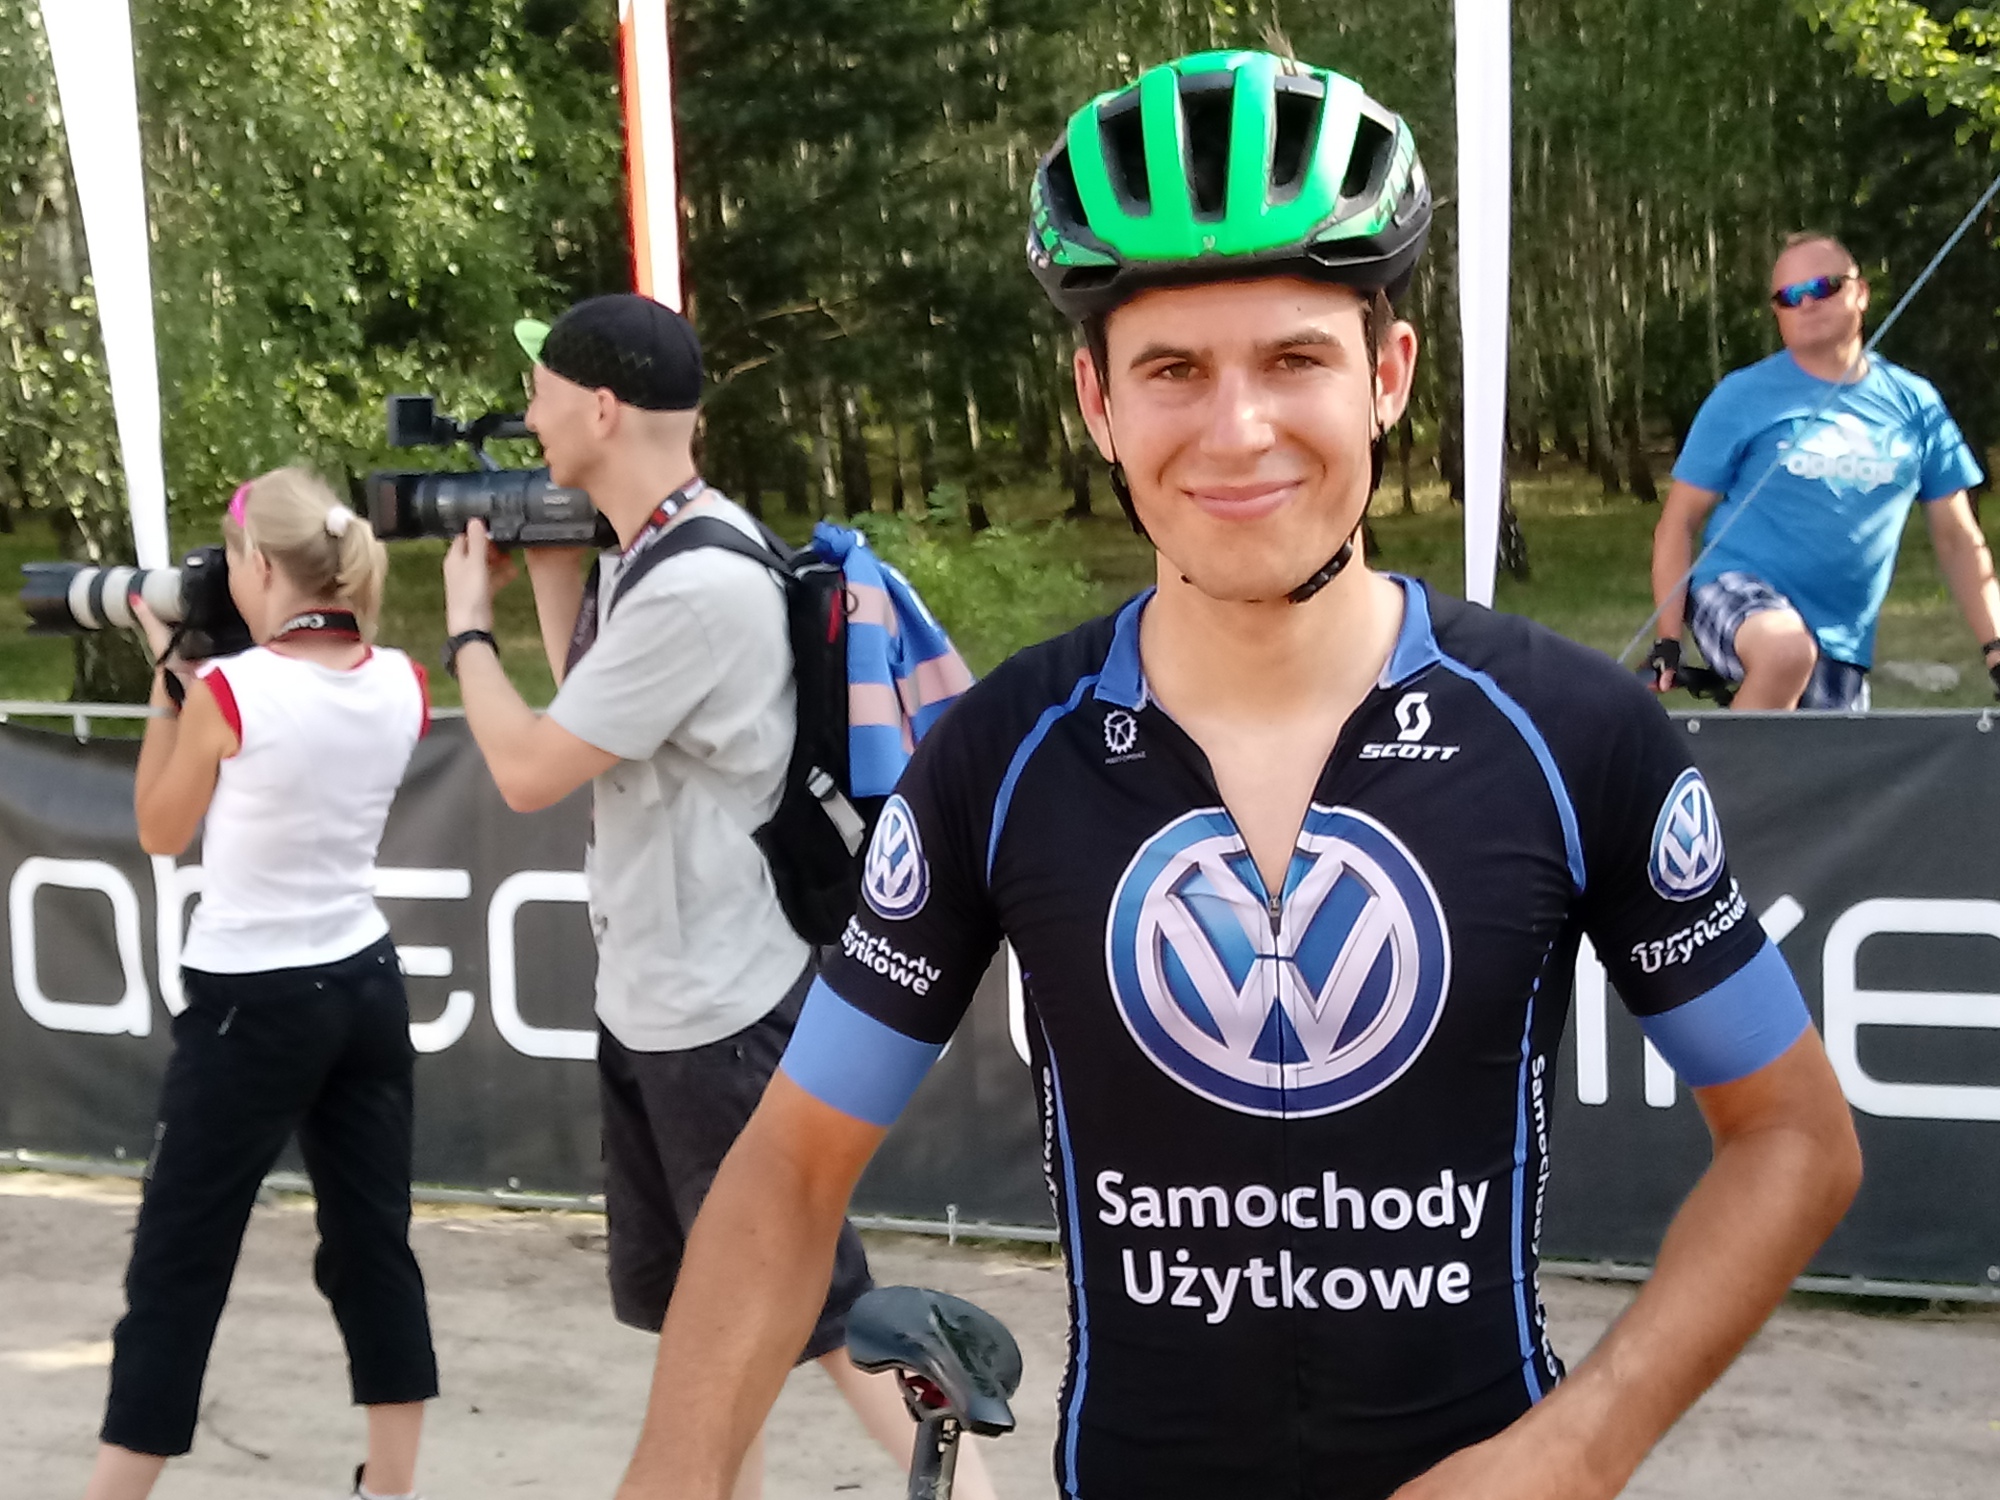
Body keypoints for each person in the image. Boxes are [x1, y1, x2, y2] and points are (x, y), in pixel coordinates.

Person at [614, 50, 1864, 1500]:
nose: (1237, 430)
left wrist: (1576, 1453)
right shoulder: (1003, 758)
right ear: (1096, 401)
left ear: (1387, 374)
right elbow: (784, 1172)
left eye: (1292, 360)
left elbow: (1793, 1138)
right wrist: (668, 1480)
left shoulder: (1570, 732)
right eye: (1172, 371)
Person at [437, 293, 995, 1500]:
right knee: (716, 1336)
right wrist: (555, 573)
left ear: (600, 408)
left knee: (819, 1314)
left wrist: (467, 631)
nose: (526, 416)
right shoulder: (657, 550)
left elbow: (530, 770)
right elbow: (602, 706)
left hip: (718, 1014)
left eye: (540, 392)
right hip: (663, 1002)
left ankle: (964, 1483)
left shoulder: (698, 583)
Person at [85, 468, 436, 1500]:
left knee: (177, 1262)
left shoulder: (230, 693)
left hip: (250, 1003)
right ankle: (390, 1485)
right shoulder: (404, 682)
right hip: (364, 983)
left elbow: (159, 828)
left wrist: (170, 681)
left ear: (260, 566)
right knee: (372, 1246)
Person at [1649, 231, 2000, 709]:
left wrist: (1995, 646)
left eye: (1824, 287)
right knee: (1785, 652)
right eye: (1790, 297)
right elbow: (1678, 521)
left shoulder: (1915, 402)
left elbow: (1958, 538)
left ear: (1861, 292)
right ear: (1777, 313)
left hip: (1842, 637)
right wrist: (1668, 640)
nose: (1807, 304)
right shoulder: (1741, 395)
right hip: (1734, 589)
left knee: (1825, 756)